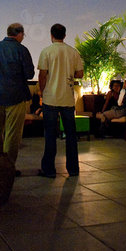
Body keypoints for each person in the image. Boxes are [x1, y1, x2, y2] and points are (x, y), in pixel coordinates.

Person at [37, 23, 84, 178]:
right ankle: (73, 169)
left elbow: (42, 75)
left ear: (51, 35)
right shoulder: (73, 52)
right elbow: (80, 74)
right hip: (68, 99)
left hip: (50, 98)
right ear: (65, 35)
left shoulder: (46, 52)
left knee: (50, 134)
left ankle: (49, 170)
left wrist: (41, 92)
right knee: (71, 135)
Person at [0, 23, 34, 175]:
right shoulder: (21, 50)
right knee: (12, 134)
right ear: (19, 34)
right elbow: (29, 74)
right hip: (15, 95)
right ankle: (7, 168)